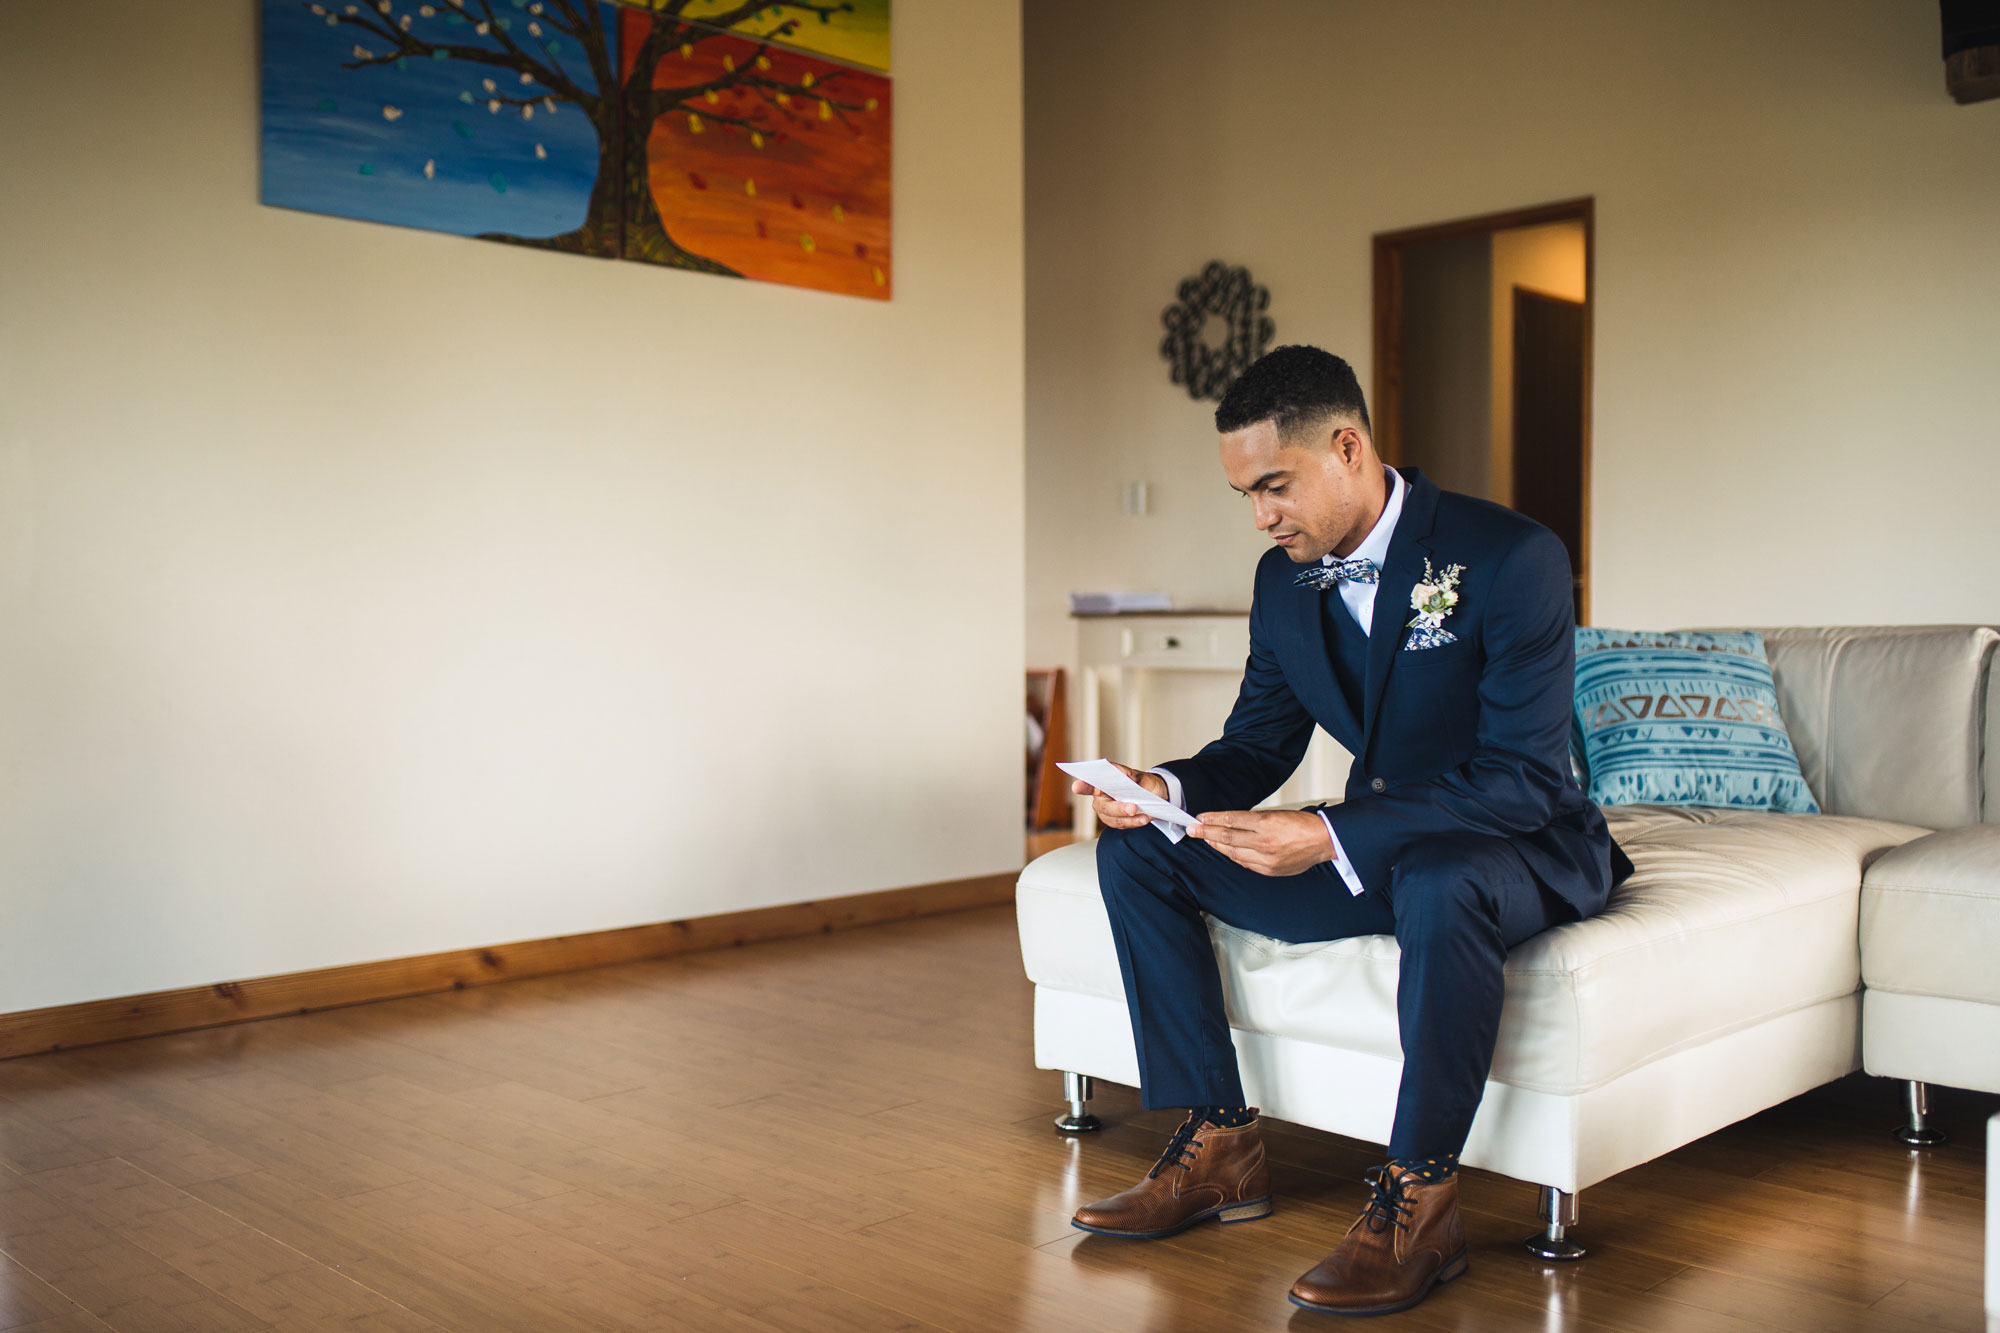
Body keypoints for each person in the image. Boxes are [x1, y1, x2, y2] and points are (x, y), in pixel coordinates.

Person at [1066, 344, 1632, 1317]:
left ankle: (1419, 1196)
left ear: (1346, 447)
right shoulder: (1281, 582)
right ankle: (1219, 1140)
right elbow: (1252, 747)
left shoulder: (1510, 557)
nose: (1259, 516)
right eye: (1243, 493)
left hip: (1518, 846)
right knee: (1134, 850)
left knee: (1441, 878)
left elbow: (1519, 780)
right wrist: (1156, 782)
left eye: (1273, 486)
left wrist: (1326, 833)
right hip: (1378, 848)